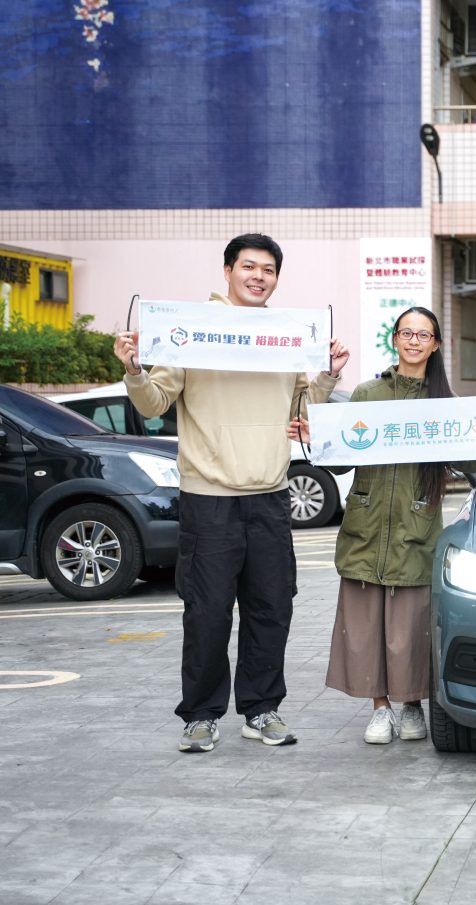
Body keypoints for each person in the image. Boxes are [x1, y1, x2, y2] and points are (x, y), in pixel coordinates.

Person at [112, 234, 350, 753]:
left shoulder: (286, 336)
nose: (258, 277)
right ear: (227, 271)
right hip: (209, 497)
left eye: (268, 269)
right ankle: (200, 715)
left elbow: (302, 409)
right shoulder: (191, 329)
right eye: (248, 266)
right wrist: (133, 369)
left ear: (276, 278)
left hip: (270, 495)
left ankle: (261, 709)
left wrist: (328, 375)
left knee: (271, 607)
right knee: (207, 610)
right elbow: (154, 404)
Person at [306, 306, 476, 745]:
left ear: (435, 344)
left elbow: (471, 462)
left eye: (423, 335)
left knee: (410, 629)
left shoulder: (446, 403)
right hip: (367, 526)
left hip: (416, 526)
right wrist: (320, 441)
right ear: (394, 339)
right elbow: (341, 460)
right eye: (406, 333)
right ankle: (380, 708)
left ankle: (411, 706)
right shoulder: (368, 394)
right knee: (368, 628)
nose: (413, 341)